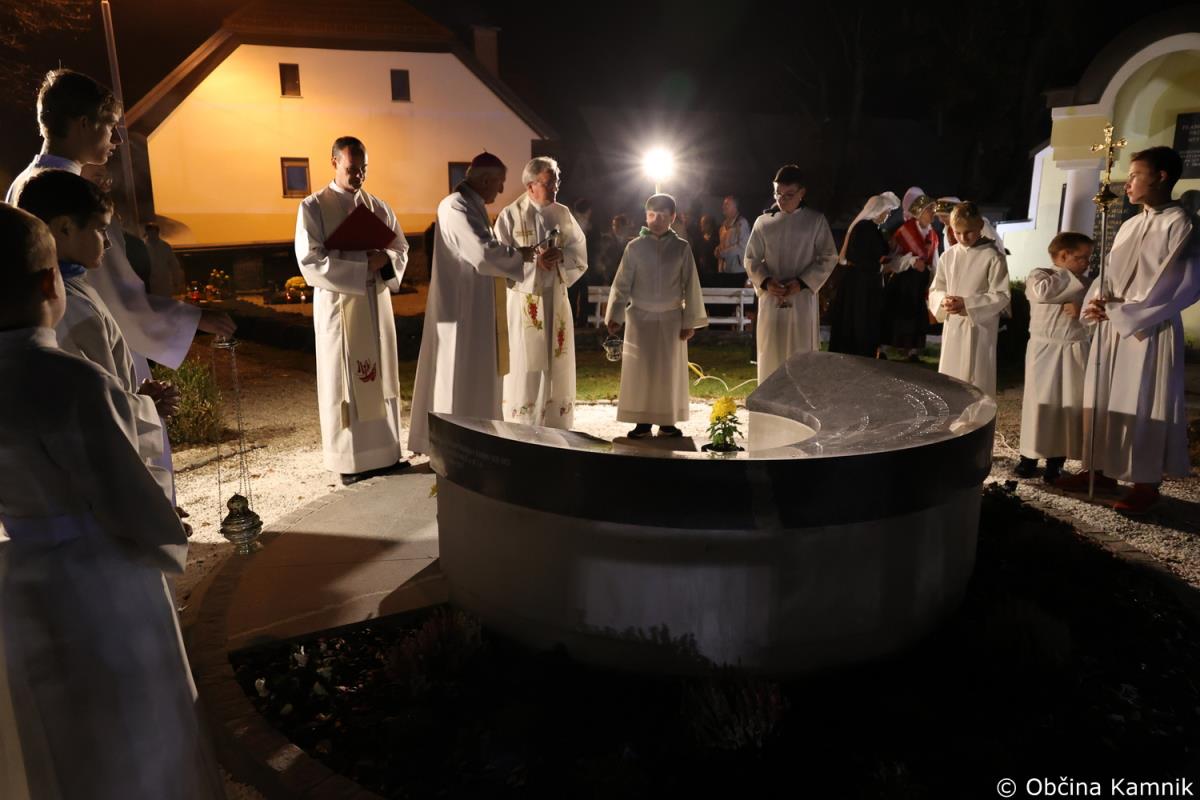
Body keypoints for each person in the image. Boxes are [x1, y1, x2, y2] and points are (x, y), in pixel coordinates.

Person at [0, 203, 224, 800]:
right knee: (136, 727)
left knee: (60, 736)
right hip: (99, 579)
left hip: (23, 582)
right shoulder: (69, 379)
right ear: (49, 284)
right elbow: (121, 491)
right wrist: (163, 525)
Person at [6, 69, 233, 496]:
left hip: (44, 349)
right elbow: (117, 296)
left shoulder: (24, 182)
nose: (114, 140)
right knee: (121, 470)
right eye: (109, 126)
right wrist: (193, 318)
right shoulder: (72, 195)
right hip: (89, 344)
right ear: (83, 124)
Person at [16, 170, 178, 502]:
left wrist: (140, 397)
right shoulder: (64, 305)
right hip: (96, 495)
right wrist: (147, 502)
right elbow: (93, 411)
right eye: (101, 230)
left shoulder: (71, 289)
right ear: (64, 227)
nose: (107, 242)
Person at [1056, 146, 1198, 513]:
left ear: (1161, 177)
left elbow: (1178, 283)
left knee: (1142, 400)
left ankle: (1144, 481)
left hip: (1148, 329)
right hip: (1111, 323)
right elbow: (1110, 271)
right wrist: (1097, 300)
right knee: (1104, 396)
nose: (1128, 183)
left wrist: (1124, 311)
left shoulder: (1181, 224)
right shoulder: (1131, 224)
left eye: (1135, 175)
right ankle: (1101, 469)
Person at [408, 152, 546, 454]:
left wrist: (514, 256)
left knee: (476, 377)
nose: (501, 189)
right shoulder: (455, 206)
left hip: (477, 307)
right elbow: (483, 253)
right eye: (499, 182)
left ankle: (477, 440)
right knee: (459, 377)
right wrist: (519, 255)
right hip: (461, 311)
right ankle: (455, 444)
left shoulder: (472, 205)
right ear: (484, 179)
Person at [295, 136, 410, 485]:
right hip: (339, 308)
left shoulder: (378, 207)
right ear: (334, 162)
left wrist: (386, 259)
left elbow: (400, 248)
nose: (358, 175)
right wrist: (364, 264)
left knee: (381, 375)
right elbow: (309, 261)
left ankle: (386, 454)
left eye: (363, 169)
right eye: (352, 168)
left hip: (375, 305)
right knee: (345, 379)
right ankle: (350, 461)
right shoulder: (313, 207)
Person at [495, 157, 587, 428]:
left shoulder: (563, 214)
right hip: (525, 301)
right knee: (526, 361)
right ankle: (524, 420)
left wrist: (562, 255)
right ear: (531, 185)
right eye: (549, 183)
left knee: (555, 359)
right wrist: (533, 262)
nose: (555, 187)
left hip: (555, 299)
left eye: (557, 181)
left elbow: (579, 251)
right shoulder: (510, 215)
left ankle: (554, 420)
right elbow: (499, 258)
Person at [606, 193, 708, 438]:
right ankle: (641, 420)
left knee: (668, 370)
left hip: (672, 318)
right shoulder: (635, 247)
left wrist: (689, 321)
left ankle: (667, 419)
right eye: (652, 215)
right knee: (641, 369)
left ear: (672, 217)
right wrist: (615, 314)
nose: (657, 220)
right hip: (640, 318)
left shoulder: (681, 248)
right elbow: (622, 283)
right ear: (646, 217)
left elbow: (690, 285)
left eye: (662, 215)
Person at [744, 164, 839, 383]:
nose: (782, 199)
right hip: (772, 298)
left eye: (789, 194)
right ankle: (769, 398)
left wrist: (802, 282)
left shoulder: (815, 221)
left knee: (800, 353)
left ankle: (800, 399)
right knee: (771, 352)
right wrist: (766, 281)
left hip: (801, 299)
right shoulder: (763, 223)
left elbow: (829, 256)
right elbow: (751, 258)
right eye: (778, 193)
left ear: (802, 192)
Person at [1014, 232, 1094, 484]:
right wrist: (1069, 276)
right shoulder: (1040, 275)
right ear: (1062, 255)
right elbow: (1043, 294)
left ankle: (1056, 462)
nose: (1087, 263)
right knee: (1040, 404)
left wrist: (1082, 311)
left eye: (1089, 258)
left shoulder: (1090, 284)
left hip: (1074, 350)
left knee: (1066, 406)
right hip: (1044, 349)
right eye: (1082, 257)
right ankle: (1029, 457)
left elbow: (1096, 319)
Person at [927, 201, 1010, 395]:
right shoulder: (948, 256)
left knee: (977, 376)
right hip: (954, 325)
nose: (963, 238)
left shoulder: (993, 256)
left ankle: (978, 413)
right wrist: (943, 300)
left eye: (968, 232)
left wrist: (967, 304)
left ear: (980, 226)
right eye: (957, 233)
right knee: (951, 375)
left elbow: (1001, 294)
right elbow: (937, 288)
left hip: (980, 326)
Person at [828, 192, 900, 358]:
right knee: (859, 320)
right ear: (878, 210)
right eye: (887, 211)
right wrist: (881, 266)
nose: (888, 215)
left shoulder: (872, 228)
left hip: (866, 282)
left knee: (864, 320)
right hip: (860, 284)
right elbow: (861, 258)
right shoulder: (864, 228)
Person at [883, 194, 939, 360]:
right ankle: (885, 348)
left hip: (920, 282)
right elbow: (893, 259)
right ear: (919, 212)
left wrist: (933, 280)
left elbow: (934, 260)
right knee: (897, 314)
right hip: (903, 281)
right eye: (929, 210)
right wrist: (912, 261)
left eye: (933, 210)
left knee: (917, 316)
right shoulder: (904, 231)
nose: (933, 214)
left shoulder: (933, 235)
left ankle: (913, 351)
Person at [145, 222, 185, 297]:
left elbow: (174, 265)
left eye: (153, 232)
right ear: (147, 232)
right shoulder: (142, 246)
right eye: (150, 232)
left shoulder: (165, 246)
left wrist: (176, 281)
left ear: (157, 232)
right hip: (149, 283)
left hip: (164, 283)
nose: (152, 235)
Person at [716, 195, 750, 276]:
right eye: (724, 204)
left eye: (727, 204)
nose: (723, 206)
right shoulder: (722, 227)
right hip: (724, 271)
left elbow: (742, 246)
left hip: (738, 272)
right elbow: (723, 245)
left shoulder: (742, 223)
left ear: (735, 207)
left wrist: (722, 253)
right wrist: (717, 250)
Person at [695, 213, 720, 278]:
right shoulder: (700, 238)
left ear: (709, 225)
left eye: (703, 223)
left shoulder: (716, 238)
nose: (701, 225)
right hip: (703, 272)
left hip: (713, 271)